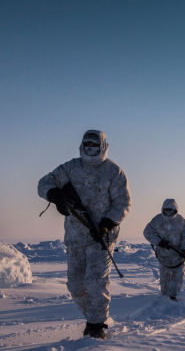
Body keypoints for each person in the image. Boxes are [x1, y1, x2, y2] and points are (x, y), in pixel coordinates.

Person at [38, 130, 131, 339]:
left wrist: (107, 223)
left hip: (102, 237)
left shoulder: (114, 172)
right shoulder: (70, 167)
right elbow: (44, 183)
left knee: (96, 281)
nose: (90, 147)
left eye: (94, 144)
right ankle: (94, 316)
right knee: (75, 284)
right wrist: (56, 195)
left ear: (102, 146)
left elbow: (123, 203)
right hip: (75, 237)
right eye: (86, 143)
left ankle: (96, 325)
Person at [143, 198, 185, 302]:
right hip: (163, 255)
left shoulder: (182, 221)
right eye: (166, 209)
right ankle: (164, 297)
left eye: (171, 209)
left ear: (175, 209)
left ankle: (173, 296)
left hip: (178, 255)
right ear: (163, 209)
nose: (168, 211)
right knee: (164, 277)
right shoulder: (157, 219)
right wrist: (159, 242)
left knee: (178, 276)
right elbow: (147, 232)